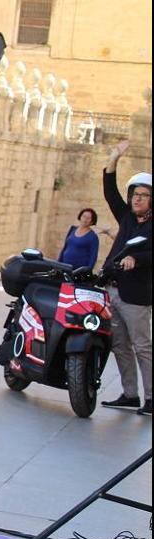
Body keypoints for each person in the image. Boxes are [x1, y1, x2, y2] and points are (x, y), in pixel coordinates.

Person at [99, 140, 152, 415]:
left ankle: (151, 398)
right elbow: (110, 193)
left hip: (136, 295)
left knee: (142, 346)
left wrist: (137, 259)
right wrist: (114, 159)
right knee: (119, 345)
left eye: (143, 195)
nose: (137, 199)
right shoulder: (127, 218)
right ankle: (130, 394)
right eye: (135, 194)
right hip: (113, 288)